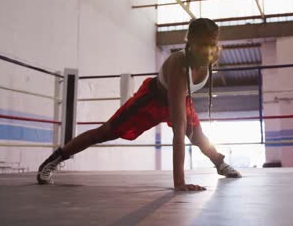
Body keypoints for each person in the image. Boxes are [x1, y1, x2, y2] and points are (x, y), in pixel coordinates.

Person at [37, 18, 241, 191]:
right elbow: (178, 132)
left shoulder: (212, 56)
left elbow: (187, 125)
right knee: (105, 132)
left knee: (199, 136)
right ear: (190, 42)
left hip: (181, 99)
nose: (208, 50)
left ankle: (220, 164)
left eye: (212, 43)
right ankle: (54, 159)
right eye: (202, 44)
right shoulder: (179, 65)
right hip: (151, 100)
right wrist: (179, 182)